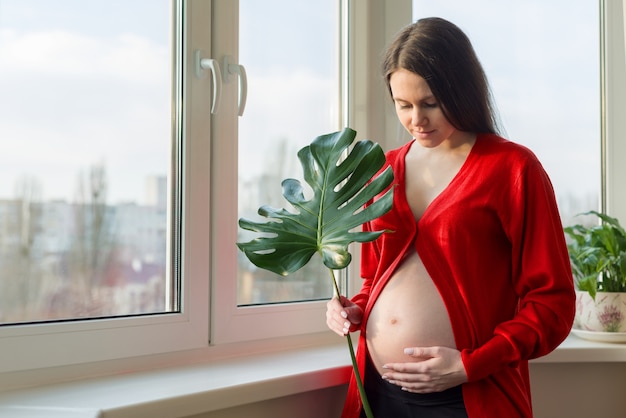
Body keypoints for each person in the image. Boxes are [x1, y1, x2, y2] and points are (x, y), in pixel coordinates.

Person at [326, 17, 575, 418]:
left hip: (466, 397)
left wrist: (469, 365)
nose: (416, 121)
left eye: (430, 103)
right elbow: (375, 279)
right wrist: (353, 309)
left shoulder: (513, 168)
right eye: (402, 105)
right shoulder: (383, 171)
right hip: (378, 392)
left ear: (461, 91)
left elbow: (552, 303)